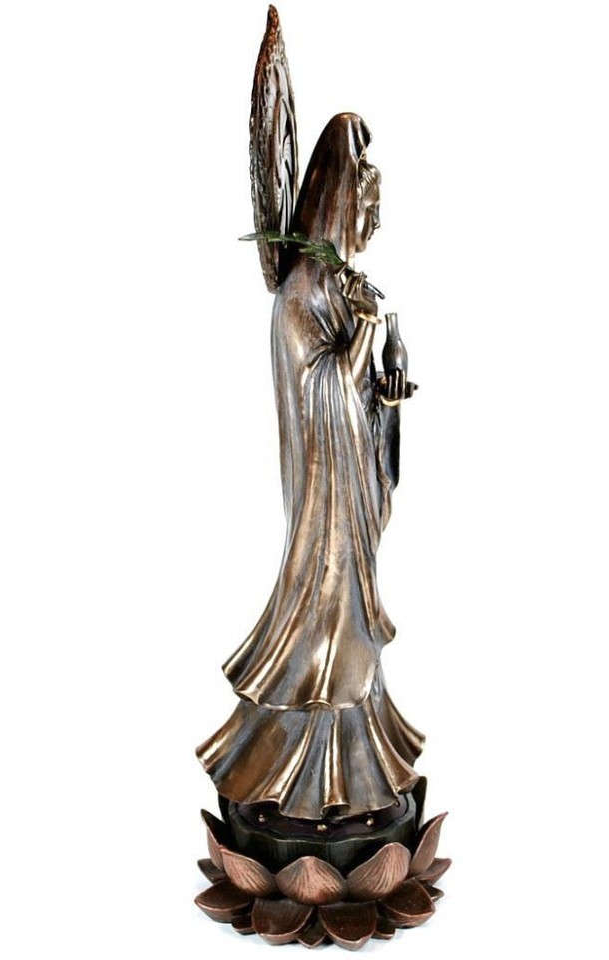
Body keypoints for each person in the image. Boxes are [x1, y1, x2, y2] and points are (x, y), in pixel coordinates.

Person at [196, 113, 422, 821]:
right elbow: (320, 396)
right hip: (324, 511)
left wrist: (388, 392)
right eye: (366, 207)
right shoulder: (301, 294)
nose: (372, 223)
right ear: (340, 199)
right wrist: (364, 336)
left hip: (351, 500)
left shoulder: (343, 283)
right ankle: (296, 776)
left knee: (353, 629)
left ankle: (358, 768)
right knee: (328, 632)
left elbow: (358, 401)